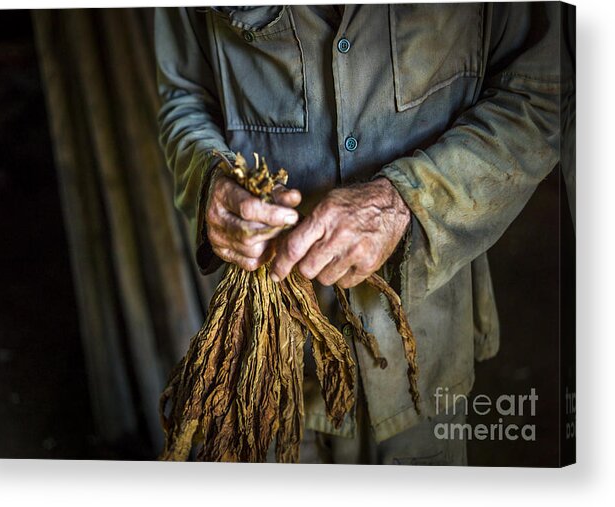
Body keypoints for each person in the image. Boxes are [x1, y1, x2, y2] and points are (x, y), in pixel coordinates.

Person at [155, 3, 567, 464]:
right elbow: (184, 98)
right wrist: (210, 179)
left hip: (425, 339)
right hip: (271, 358)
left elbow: (541, 96)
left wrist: (402, 203)